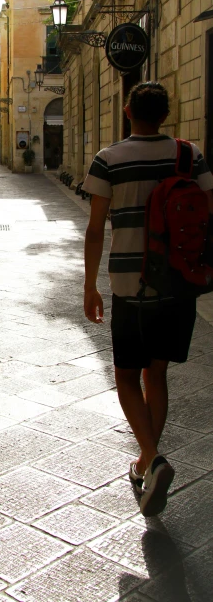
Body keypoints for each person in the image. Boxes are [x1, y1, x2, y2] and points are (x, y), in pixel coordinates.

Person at [82, 82, 213, 518]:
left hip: (129, 284)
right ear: (166, 113)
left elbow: (97, 227)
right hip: (177, 281)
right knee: (157, 375)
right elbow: (207, 210)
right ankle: (144, 463)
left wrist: (89, 284)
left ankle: (152, 459)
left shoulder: (108, 159)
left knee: (125, 378)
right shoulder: (188, 155)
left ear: (126, 110)